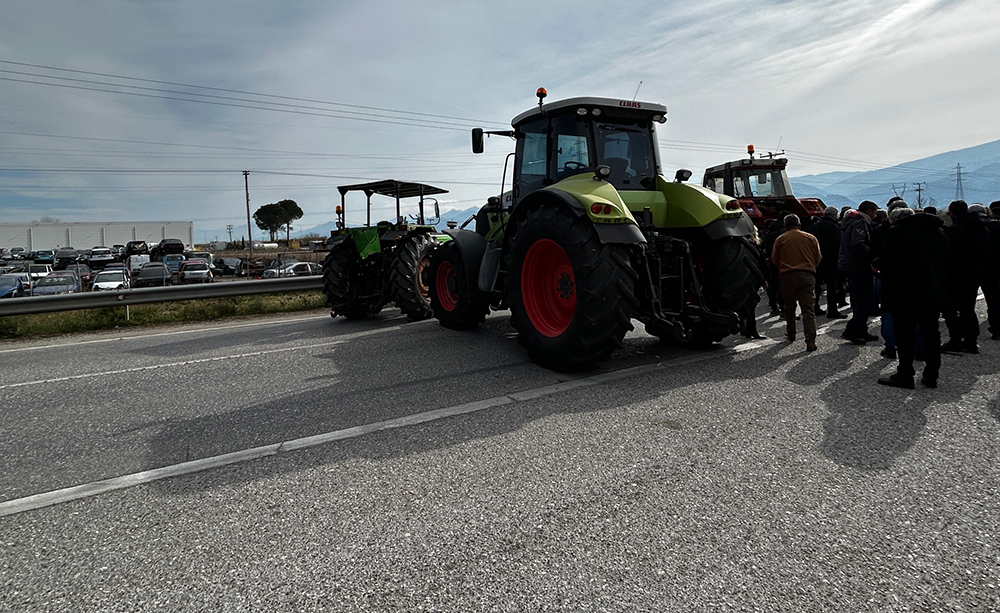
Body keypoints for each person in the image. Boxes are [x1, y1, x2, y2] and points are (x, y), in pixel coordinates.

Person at [873, 207, 950, 388]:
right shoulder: (939, 233)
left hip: (904, 291)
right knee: (931, 333)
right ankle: (932, 375)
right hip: (932, 290)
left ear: (895, 219)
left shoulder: (898, 233)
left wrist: (876, 265)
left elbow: (887, 260)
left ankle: (905, 373)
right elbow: (947, 261)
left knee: (905, 334)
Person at [941, 200, 990, 354]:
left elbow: (947, 254)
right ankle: (971, 341)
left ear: (953, 213)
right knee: (968, 308)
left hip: (955, 274)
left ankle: (955, 339)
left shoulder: (954, 230)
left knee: (949, 309)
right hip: (975, 272)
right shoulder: (982, 228)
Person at [771, 214, 822, 352]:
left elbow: (774, 259)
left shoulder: (781, 239)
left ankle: (791, 333)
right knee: (808, 310)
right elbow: (818, 257)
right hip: (807, 275)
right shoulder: (810, 238)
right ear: (799, 224)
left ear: (785, 226)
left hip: (787, 276)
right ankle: (810, 341)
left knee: (789, 307)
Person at [838, 200, 879, 344]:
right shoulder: (859, 224)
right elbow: (857, 244)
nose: (875, 215)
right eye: (874, 212)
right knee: (866, 299)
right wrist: (873, 256)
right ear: (869, 212)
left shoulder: (850, 222)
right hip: (859, 266)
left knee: (858, 300)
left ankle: (861, 330)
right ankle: (852, 330)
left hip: (851, 265)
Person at [807, 206, 844, 318]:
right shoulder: (834, 227)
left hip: (817, 260)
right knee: (832, 286)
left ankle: (815, 307)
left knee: (816, 285)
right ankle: (832, 309)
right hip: (831, 261)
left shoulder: (815, 226)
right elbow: (836, 245)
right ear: (833, 215)